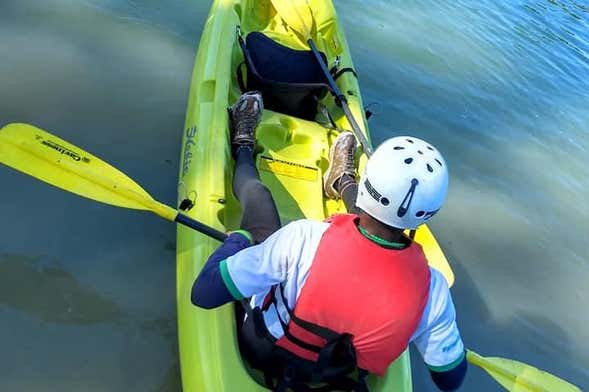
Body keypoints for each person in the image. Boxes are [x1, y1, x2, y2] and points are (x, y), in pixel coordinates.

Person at [192, 92, 467, 391]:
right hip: (334, 379)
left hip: (262, 349)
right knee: (377, 228)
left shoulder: (305, 238)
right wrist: (430, 329)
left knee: (259, 199)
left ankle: (244, 145)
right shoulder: (433, 290)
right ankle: (341, 180)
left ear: (369, 181)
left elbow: (204, 293)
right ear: (425, 216)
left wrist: (241, 241)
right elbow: (450, 380)